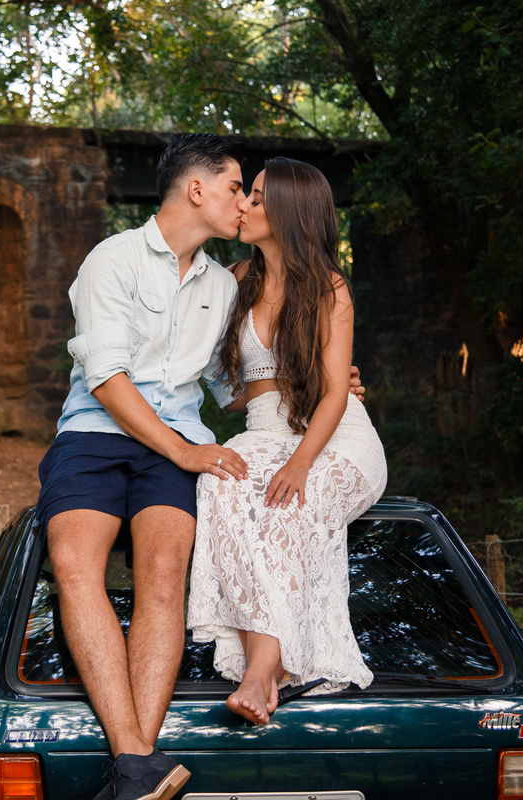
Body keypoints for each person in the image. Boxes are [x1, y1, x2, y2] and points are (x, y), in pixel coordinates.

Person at [37, 136, 364, 800]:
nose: (244, 201)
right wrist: (184, 451)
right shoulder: (113, 260)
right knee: (74, 563)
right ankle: (137, 760)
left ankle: (135, 769)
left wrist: (323, 381)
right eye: (237, 186)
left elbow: (234, 384)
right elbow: (105, 376)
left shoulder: (225, 285)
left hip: (180, 442)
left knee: (164, 576)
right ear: (197, 191)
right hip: (96, 435)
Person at [186, 157, 387, 727]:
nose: (244, 205)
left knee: (288, 509)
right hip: (264, 429)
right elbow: (226, 392)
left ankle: (261, 669)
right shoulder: (232, 281)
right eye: (245, 194)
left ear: (291, 213)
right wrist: (283, 381)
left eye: (255, 197)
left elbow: (332, 397)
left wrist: (301, 463)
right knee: (218, 481)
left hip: (335, 439)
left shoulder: (329, 286)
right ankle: (269, 662)